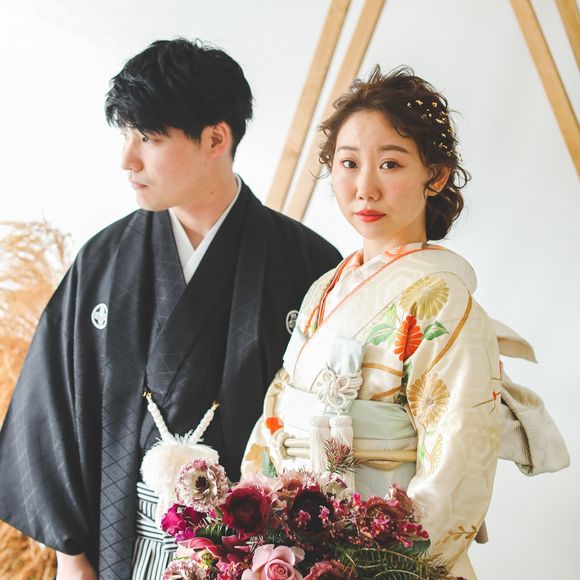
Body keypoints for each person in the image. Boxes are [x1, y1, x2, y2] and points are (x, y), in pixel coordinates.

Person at [0, 38, 341, 579]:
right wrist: (71, 556)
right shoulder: (104, 261)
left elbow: (332, 426)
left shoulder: (307, 264)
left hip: (257, 558)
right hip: (120, 547)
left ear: (216, 138)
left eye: (149, 137)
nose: (128, 159)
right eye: (126, 135)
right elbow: (53, 404)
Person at [242, 66, 502, 579]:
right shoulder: (324, 287)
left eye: (390, 163)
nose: (364, 188)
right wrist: (254, 519)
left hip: (380, 550)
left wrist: (382, 560)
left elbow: (459, 455)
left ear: (436, 175)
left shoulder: (443, 299)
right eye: (348, 163)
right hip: (294, 545)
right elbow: (279, 406)